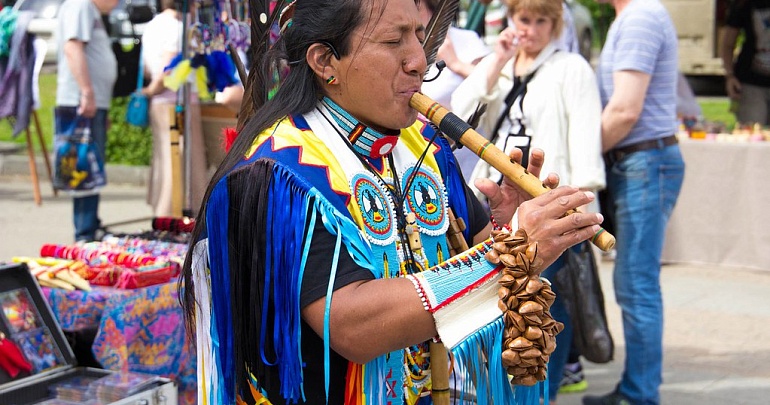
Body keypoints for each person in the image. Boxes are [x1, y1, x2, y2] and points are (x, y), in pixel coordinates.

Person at [178, 0, 605, 403]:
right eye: (392, 40)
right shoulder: (282, 175)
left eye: (419, 35)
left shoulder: (426, 150)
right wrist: (513, 251)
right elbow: (352, 326)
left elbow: (471, 262)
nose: (419, 60)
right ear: (326, 62)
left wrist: (508, 230)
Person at [452, 0, 604, 402]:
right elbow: (459, 112)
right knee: (497, 297)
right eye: (524, 19)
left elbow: (586, 138)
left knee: (542, 305)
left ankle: (543, 391)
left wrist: (582, 206)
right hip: (497, 202)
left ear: (555, 25)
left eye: (541, 21)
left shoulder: (571, 67)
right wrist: (498, 56)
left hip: (552, 201)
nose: (531, 29)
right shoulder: (501, 68)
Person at [584, 0, 685, 404]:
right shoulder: (631, 16)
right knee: (633, 283)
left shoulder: (641, 16)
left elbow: (625, 110)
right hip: (638, 161)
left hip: (644, 161)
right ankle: (635, 389)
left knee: (636, 285)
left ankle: (640, 395)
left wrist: (581, 163)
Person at [54, 0, 118, 241]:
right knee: (82, 169)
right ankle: (84, 234)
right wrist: (87, 92)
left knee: (91, 167)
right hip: (80, 102)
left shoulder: (88, 9)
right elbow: (72, 48)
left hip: (89, 102)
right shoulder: (79, 5)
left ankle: (90, 225)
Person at [140, 0, 207, 217]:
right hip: (177, 101)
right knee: (179, 164)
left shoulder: (153, 25)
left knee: (165, 161)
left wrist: (151, 91)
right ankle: (172, 216)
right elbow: (168, 70)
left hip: (162, 102)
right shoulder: (177, 28)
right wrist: (153, 89)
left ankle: (165, 214)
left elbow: (149, 68)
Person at [418, 0, 490, 179]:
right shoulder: (403, 46)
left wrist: (456, 64)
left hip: (464, 160)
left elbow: (493, 87)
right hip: (422, 155)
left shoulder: (467, 41)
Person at [721, 0, 770, 126]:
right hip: (751, 83)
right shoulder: (745, 4)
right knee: (752, 134)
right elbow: (727, 44)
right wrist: (730, 76)